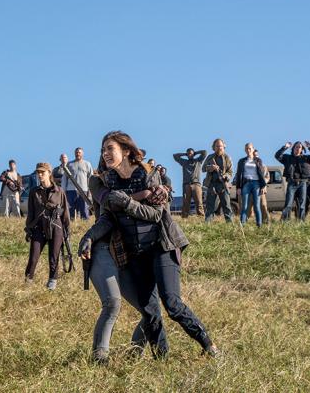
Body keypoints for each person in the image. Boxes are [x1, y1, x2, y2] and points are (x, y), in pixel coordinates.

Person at [80, 130, 218, 358]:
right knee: (150, 310)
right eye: (103, 150)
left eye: (110, 148)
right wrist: (89, 236)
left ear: (126, 151)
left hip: (161, 246)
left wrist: (127, 203)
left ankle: (209, 346)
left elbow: (155, 214)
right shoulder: (109, 181)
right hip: (135, 252)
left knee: (172, 304)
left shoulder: (147, 174)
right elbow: (109, 217)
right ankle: (161, 358)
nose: (105, 153)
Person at [77, 166, 169, 364]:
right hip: (103, 246)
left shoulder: (135, 179)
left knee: (150, 311)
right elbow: (109, 204)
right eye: (105, 155)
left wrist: (161, 189)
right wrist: (145, 193)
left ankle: (133, 355)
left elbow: (153, 210)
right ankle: (99, 359)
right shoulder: (97, 181)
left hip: (126, 251)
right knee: (112, 304)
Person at [24, 162, 70, 290]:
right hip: (38, 227)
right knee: (33, 258)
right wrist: (28, 229)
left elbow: (65, 213)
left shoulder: (59, 191)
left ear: (49, 173)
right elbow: (31, 212)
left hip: (56, 226)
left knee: (54, 257)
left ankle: (52, 284)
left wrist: (67, 232)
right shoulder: (34, 192)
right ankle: (27, 282)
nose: (40, 175)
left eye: (42, 172)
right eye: (38, 172)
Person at [275, 141, 310, 221]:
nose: (298, 148)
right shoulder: (287, 158)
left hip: (303, 183)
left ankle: (301, 221)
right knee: (288, 203)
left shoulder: (306, 158)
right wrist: (285, 147)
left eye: (300, 147)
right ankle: (285, 221)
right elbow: (277, 156)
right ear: (293, 148)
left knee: (302, 204)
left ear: (302, 149)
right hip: (292, 183)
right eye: (296, 147)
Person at [235, 143, 267, 227]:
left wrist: (263, 186)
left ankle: (259, 225)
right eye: (246, 149)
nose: (248, 150)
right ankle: (242, 225)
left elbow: (261, 174)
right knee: (244, 205)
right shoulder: (241, 161)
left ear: (253, 149)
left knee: (257, 205)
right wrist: (238, 187)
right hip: (246, 183)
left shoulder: (258, 160)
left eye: (250, 148)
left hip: (256, 184)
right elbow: (238, 174)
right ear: (245, 150)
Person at [203, 139, 233, 222]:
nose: (219, 148)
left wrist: (226, 176)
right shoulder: (210, 157)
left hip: (223, 184)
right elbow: (203, 168)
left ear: (224, 147)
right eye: (217, 146)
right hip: (211, 184)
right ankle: (208, 225)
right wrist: (211, 167)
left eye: (220, 146)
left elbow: (230, 172)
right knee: (210, 206)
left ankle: (230, 225)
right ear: (214, 147)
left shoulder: (227, 157)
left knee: (226, 206)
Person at [173, 148, 206, 218]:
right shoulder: (184, 162)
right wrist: (185, 154)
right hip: (186, 185)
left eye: (191, 153)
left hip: (196, 184)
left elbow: (204, 152)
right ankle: (184, 219)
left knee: (199, 203)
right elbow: (175, 156)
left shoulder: (198, 161)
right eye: (188, 154)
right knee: (185, 204)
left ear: (193, 154)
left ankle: (201, 218)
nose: (189, 155)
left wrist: (195, 153)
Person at [64, 147, 93, 220]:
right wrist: (64, 190)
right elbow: (65, 178)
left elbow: (91, 178)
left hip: (83, 190)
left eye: (79, 152)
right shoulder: (69, 164)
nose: (78, 154)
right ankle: (71, 225)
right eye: (76, 152)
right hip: (70, 190)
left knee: (84, 210)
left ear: (82, 153)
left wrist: (90, 191)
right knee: (70, 210)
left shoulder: (87, 164)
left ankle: (85, 225)